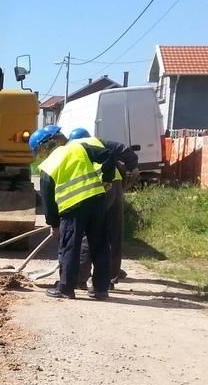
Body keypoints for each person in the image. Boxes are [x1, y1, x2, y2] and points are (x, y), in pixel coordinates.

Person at [29, 125, 133, 300]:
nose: (39, 156)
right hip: (97, 202)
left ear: (44, 147)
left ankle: (66, 288)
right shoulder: (79, 147)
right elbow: (108, 155)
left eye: (38, 152)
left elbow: (48, 202)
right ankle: (101, 289)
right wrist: (107, 179)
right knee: (99, 245)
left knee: (70, 246)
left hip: (73, 209)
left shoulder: (47, 167)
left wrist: (54, 224)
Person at [67, 127, 138, 288]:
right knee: (114, 233)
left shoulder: (77, 148)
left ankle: (80, 278)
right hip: (116, 184)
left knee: (90, 231)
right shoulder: (100, 142)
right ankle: (110, 279)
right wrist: (132, 168)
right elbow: (127, 151)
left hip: (100, 187)